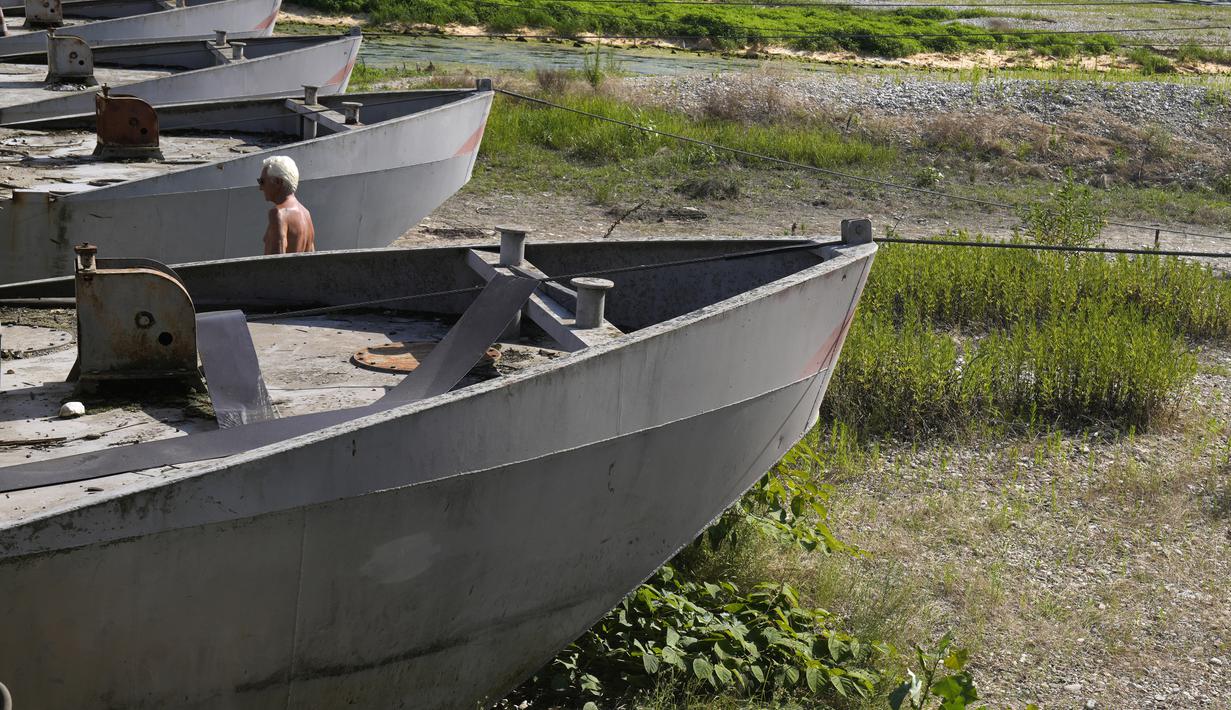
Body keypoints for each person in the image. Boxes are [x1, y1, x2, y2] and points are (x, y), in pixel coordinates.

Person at [258, 155, 315, 255]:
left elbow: (276, 263)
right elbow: (312, 257)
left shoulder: (279, 214)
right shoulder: (306, 214)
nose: (260, 188)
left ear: (278, 182)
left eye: (262, 182)